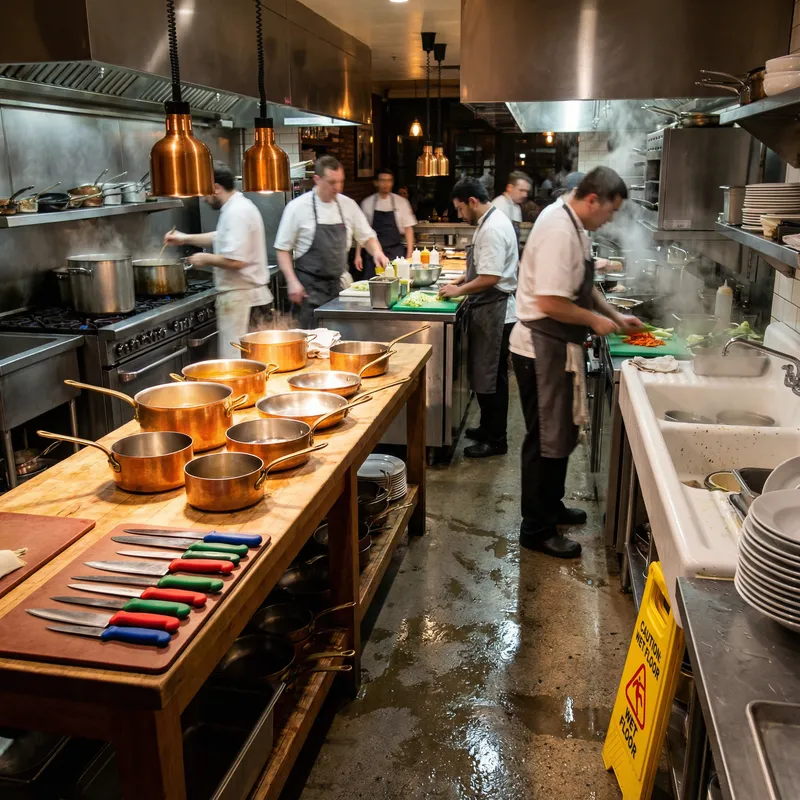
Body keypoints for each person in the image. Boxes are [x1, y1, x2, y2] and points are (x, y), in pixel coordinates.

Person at [510, 167, 644, 558]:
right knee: (543, 440)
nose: (611, 219)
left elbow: (582, 291)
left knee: (559, 436)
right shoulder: (557, 230)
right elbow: (551, 303)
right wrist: (593, 321)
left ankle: (550, 508)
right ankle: (535, 529)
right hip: (539, 348)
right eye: (610, 211)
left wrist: (616, 317)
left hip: (556, 346)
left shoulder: (576, 226)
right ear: (591, 200)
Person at [439, 177, 518, 458]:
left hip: (496, 312)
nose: (460, 215)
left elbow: (492, 277)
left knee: (492, 379)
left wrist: (459, 289)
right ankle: (487, 429)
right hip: (488, 308)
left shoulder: (493, 228)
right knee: (486, 377)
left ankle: (497, 440)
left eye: (460, 209)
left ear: (473, 201)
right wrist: (464, 276)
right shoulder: (490, 221)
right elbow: (484, 268)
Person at [164, 161, 271, 358]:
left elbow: (237, 261)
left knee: (241, 365)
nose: (203, 199)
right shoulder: (237, 206)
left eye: (204, 193)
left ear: (215, 188)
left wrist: (204, 258)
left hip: (243, 302)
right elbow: (220, 236)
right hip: (244, 299)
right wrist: (184, 238)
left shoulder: (236, 212)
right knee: (246, 364)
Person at [274, 156, 389, 328]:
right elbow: (282, 249)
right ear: (317, 180)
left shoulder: (347, 205)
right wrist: (292, 281)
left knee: (339, 342)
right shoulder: (297, 207)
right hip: (308, 291)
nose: (338, 187)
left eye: (341, 182)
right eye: (332, 182)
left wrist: (377, 252)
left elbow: (367, 236)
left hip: (339, 290)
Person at [354, 168, 417, 279]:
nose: (386, 184)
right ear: (376, 183)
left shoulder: (401, 202)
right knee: (371, 287)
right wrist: (358, 255)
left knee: (398, 284)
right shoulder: (367, 203)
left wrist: (409, 256)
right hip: (373, 254)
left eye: (389, 180)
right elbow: (361, 231)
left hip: (395, 253)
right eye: (382, 180)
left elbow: (408, 229)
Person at [492, 170, 532, 238]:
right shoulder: (499, 205)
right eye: (521, 190)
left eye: (527, 191)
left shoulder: (516, 206)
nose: (525, 195)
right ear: (509, 188)